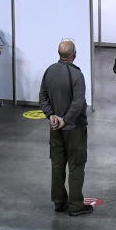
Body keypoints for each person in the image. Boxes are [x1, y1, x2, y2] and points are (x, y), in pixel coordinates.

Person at [40, 39, 93, 216]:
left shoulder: (49, 71)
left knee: (57, 164)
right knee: (76, 165)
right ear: (73, 55)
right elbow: (78, 104)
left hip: (55, 128)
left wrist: (51, 116)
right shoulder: (77, 75)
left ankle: (59, 201)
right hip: (74, 129)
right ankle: (76, 205)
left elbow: (43, 97)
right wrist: (66, 120)